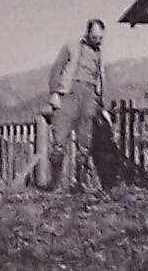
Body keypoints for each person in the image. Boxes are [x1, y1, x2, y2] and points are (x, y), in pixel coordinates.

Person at [41, 18, 106, 192]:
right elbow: (56, 69)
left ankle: (80, 183)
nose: (97, 40)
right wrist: (54, 93)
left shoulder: (99, 53)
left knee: (85, 142)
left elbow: (100, 80)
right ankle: (55, 184)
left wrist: (101, 104)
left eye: (100, 38)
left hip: (89, 97)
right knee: (59, 140)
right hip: (68, 95)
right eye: (94, 37)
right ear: (88, 33)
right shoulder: (71, 46)